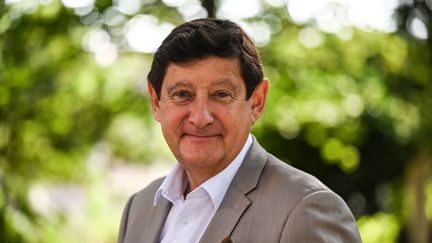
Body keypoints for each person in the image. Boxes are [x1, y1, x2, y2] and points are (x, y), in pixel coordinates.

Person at [117, 18, 361, 243]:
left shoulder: (306, 209)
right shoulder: (138, 208)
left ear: (256, 101)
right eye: (182, 94)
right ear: (156, 102)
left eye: (221, 94)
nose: (200, 118)